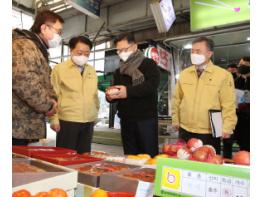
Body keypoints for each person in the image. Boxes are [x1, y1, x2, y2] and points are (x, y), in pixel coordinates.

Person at [172, 37, 237, 154]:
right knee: (184, 162)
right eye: (192, 51)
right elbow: (177, 99)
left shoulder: (223, 75)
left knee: (208, 162)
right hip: (185, 128)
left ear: (209, 53)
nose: (194, 54)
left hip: (210, 131)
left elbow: (229, 104)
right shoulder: (185, 74)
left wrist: (228, 127)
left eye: (198, 51)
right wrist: (175, 119)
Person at [12, 10, 64, 146]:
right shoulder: (25, 46)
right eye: (58, 31)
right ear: (44, 28)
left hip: (23, 125)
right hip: (17, 126)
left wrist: (52, 100)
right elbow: (25, 82)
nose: (59, 36)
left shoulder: (35, 48)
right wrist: (48, 105)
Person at [106, 33, 160, 157]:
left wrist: (128, 92)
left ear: (135, 47)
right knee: (130, 156)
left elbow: (151, 86)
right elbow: (117, 90)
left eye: (125, 49)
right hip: (126, 120)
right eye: (118, 50)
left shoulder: (148, 64)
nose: (121, 53)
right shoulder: (118, 71)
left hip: (146, 119)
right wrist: (110, 97)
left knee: (148, 155)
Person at [50, 36, 99, 154]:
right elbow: (53, 95)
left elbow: (94, 95)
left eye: (87, 53)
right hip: (68, 121)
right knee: (65, 156)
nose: (83, 56)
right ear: (71, 50)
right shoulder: (59, 69)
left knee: (84, 157)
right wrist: (53, 119)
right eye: (80, 52)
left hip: (88, 121)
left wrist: (95, 114)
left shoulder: (91, 70)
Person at [234, 57, 250, 151]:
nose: (241, 66)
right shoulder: (237, 81)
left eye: (244, 65)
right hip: (239, 118)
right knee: (242, 145)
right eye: (240, 64)